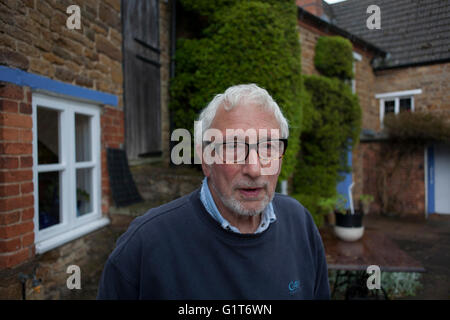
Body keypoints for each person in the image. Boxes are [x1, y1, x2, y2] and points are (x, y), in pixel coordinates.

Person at [97, 84, 330, 299]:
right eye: (234, 147)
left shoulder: (300, 223)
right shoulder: (144, 245)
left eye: (268, 147)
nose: (254, 168)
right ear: (206, 159)